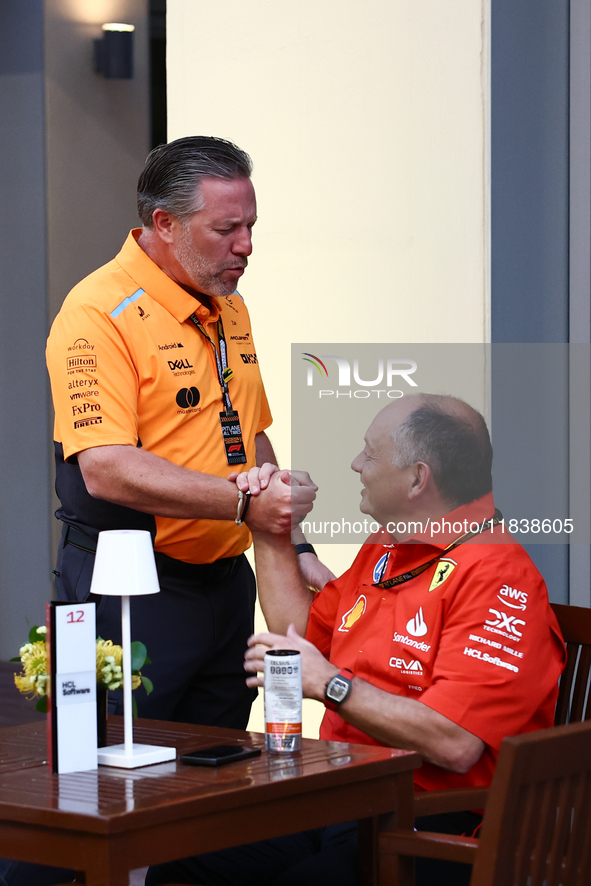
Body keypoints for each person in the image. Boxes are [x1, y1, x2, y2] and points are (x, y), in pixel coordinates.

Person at [146, 394, 566, 886]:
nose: (355, 464)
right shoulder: (389, 546)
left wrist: (330, 685)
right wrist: (268, 524)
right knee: (180, 863)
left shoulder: (497, 577)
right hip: (344, 794)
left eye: (370, 452)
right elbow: (298, 638)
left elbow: (455, 744)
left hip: (435, 821)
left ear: (417, 478)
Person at [45, 136, 330, 730]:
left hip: (227, 585)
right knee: (117, 773)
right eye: (226, 229)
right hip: (135, 589)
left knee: (219, 771)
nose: (246, 246)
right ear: (165, 223)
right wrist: (249, 504)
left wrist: (293, 540)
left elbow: (249, 434)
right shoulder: (96, 313)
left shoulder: (229, 305)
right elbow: (106, 467)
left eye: (251, 225)